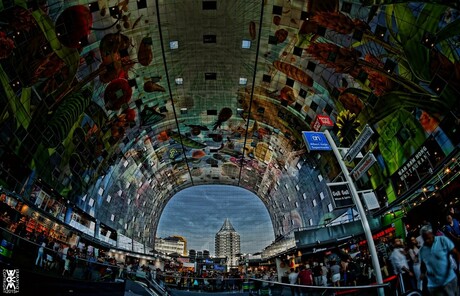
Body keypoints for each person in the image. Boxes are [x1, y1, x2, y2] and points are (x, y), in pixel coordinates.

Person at [419, 224, 460, 296]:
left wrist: (459, 267)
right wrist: (422, 274)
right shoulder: (422, 251)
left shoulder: (442, 240)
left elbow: (456, 252)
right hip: (434, 286)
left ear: (431, 234)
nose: (427, 241)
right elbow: (423, 265)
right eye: (425, 239)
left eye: (428, 238)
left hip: (449, 280)